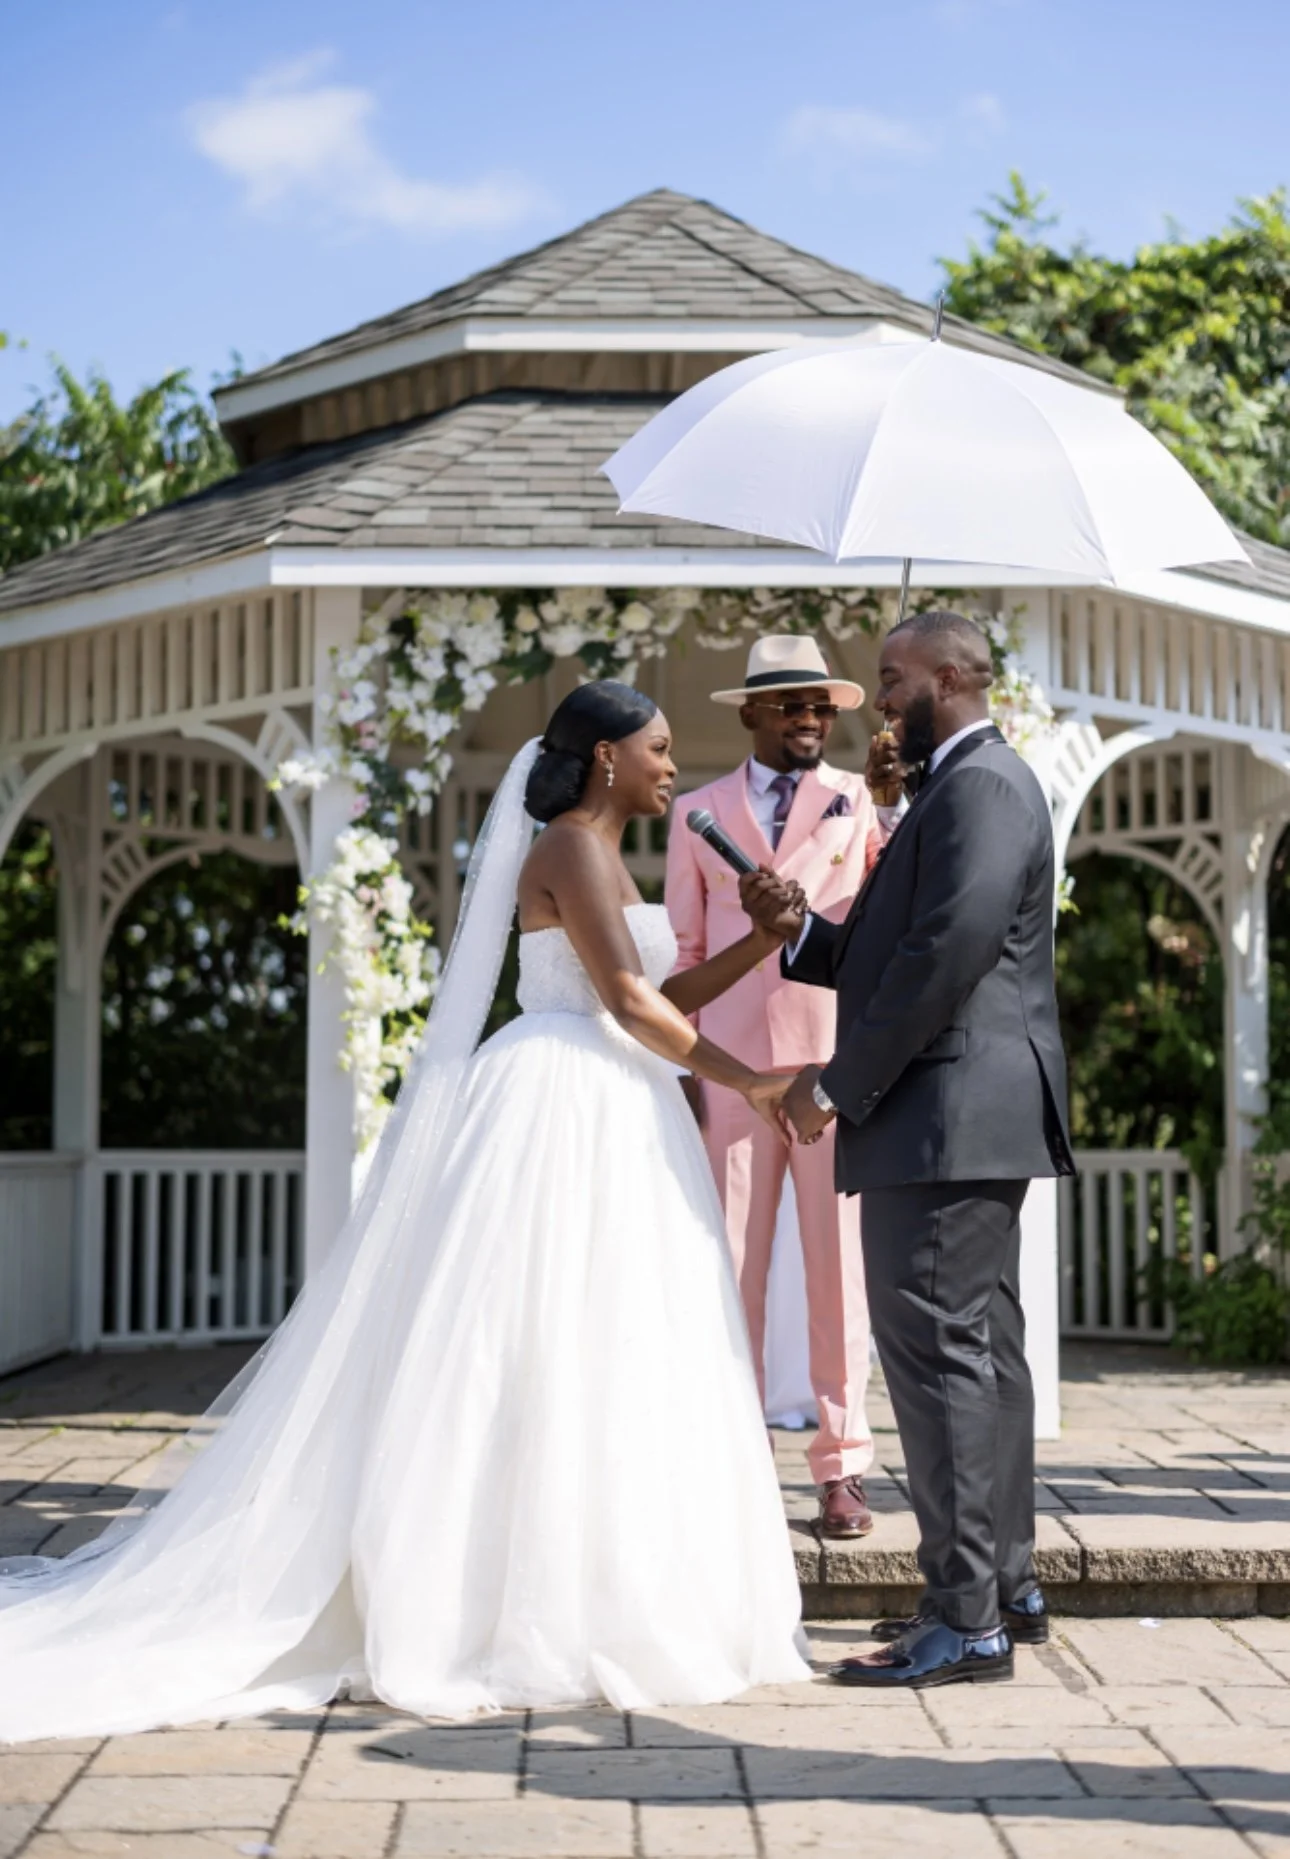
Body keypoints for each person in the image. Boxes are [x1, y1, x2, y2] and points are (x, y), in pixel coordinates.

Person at [0, 682, 812, 1741]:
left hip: (623, 1103)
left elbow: (660, 996)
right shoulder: (567, 845)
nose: (673, 764)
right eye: (657, 748)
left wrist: (757, 944)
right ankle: (488, 1607)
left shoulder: (611, 855)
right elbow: (623, 1000)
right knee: (519, 1350)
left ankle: (606, 1589)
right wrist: (751, 1081)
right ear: (606, 757)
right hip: (561, 1103)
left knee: (612, 1349)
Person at [748, 610, 1074, 1692]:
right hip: (957, 1113)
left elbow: (945, 956)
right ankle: (1005, 1589)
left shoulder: (981, 787)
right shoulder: (949, 787)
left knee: (938, 1362)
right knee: (979, 1357)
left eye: (890, 678)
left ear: (946, 675)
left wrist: (835, 1083)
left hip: (944, 1116)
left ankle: (963, 1612)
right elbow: (896, 948)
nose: (878, 699)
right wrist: (800, 932)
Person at [665, 635, 902, 1537]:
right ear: (752, 713)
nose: (811, 719)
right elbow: (685, 960)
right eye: (793, 705)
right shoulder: (697, 813)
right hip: (732, 1076)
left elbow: (889, 917)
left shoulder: (860, 801)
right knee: (731, 1270)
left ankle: (841, 1466)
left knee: (840, 1273)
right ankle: (734, 1457)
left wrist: (889, 804)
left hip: (832, 1072)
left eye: (824, 707)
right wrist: (692, 1074)